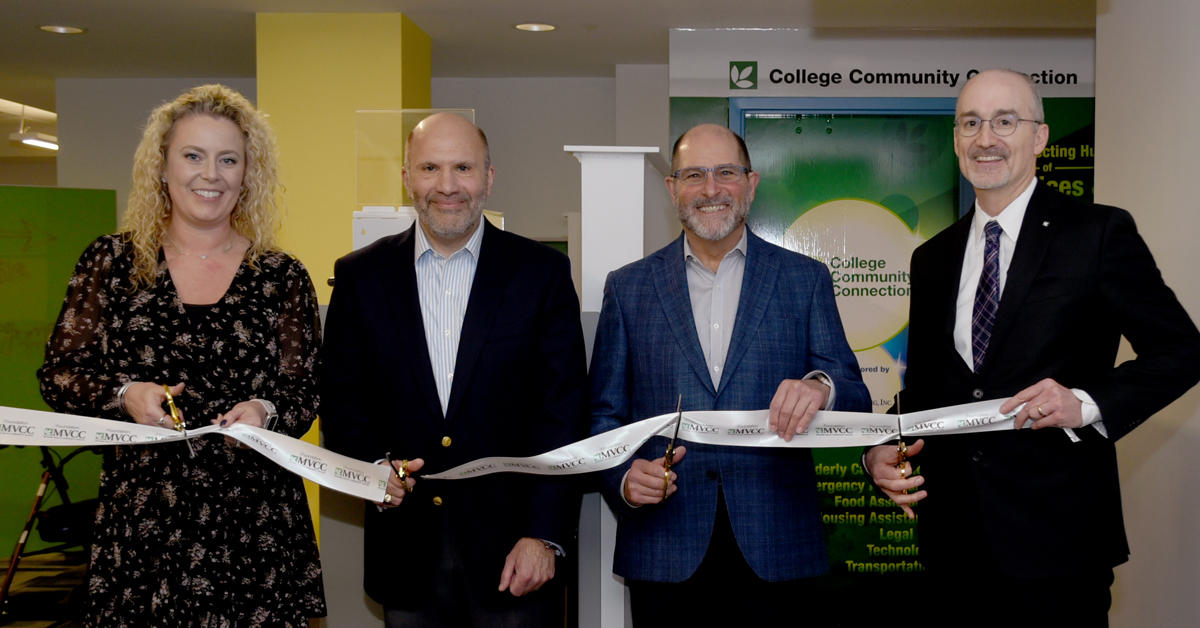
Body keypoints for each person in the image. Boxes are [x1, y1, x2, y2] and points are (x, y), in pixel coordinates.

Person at [865, 69, 1200, 626]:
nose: (985, 138)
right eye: (970, 123)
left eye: (1004, 121)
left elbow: (1183, 351)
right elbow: (926, 392)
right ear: (955, 140)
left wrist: (1086, 402)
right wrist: (882, 449)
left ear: (1039, 138)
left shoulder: (1097, 234)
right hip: (952, 547)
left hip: (1058, 549)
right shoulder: (932, 257)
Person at [38, 84, 326, 627]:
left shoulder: (281, 276)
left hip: (255, 528)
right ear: (162, 167)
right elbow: (60, 375)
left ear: (248, 173)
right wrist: (125, 396)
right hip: (142, 522)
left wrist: (265, 410)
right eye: (192, 156)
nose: (210, 174)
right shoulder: (111, 262)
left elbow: (305, 389)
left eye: (228, 159)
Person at [589, 124, 870, 624]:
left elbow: (854, 394)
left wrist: (820, 388)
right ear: (673, 188)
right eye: (694, 174)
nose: (711, 189)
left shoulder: (804, 280)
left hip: (777, 545)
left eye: (726, 173)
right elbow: (603, 416)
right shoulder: (628, 288)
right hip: (664, 549)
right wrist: (624, 479)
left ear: (752, 183)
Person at [320, 112, 588, 627]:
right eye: (429, 168)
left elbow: (563, 412)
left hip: (516, 556)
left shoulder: (542, 274)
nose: (447, 186)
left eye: (463, 167)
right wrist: (372, 469)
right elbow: (343, 401)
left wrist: (544, 534)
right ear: (406, 179)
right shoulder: (359, 277)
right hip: (405, 552)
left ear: (488, 177)